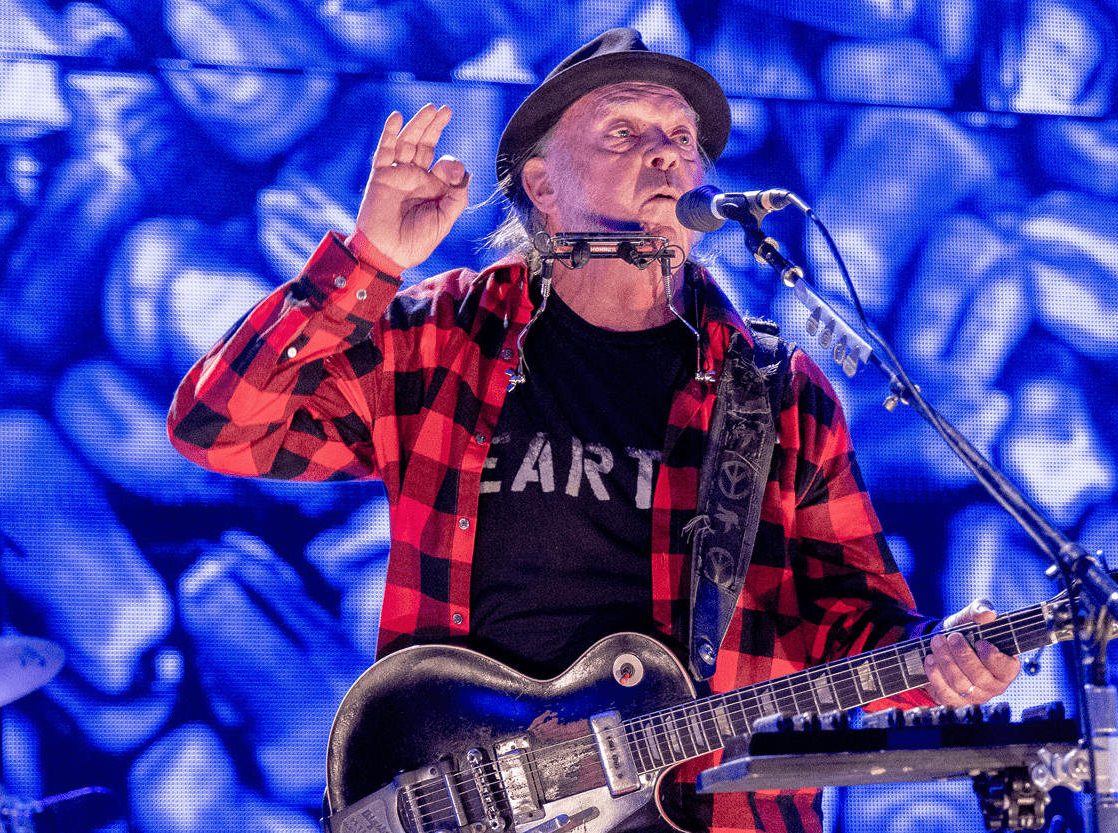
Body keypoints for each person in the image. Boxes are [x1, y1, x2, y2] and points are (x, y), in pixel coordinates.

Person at [167, 28, 1019, 833]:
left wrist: (939, 658)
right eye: (623, 130)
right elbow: (218, 426)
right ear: (541, 184)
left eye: (682, 137)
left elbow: (855, 621)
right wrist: (370, 262)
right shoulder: (446, 336)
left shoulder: (777, 391)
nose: (667, 153)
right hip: (466, 801)